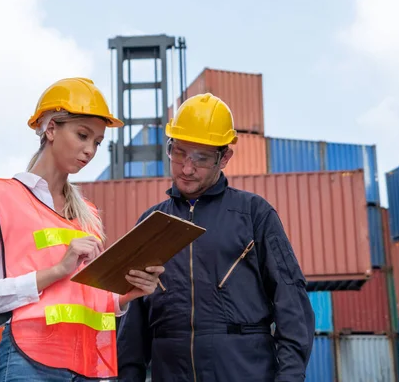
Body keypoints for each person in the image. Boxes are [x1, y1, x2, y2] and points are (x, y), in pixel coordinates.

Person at [0, 77, 165, 382]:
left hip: (87, 367)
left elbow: (83, 300)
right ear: (51, 128)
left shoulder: (88, 215)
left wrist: (125, 295)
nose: (90, 150)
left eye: (96, 142)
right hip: (27, 364)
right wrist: (55, 271)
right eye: (82, 135)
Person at [117, 93, 315, 382]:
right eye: (180, 152)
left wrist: (289, 377)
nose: (186, 168)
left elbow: (292, 303)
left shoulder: (254, 214)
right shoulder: (151, 223)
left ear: (225, 158)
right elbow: (132, 325)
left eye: (201, 158)